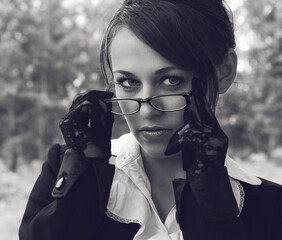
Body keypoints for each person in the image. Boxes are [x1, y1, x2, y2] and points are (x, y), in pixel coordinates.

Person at [19, 0, 282, 239]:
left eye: (171, 80)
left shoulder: (270, 205)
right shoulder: (66, 171)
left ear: (224, 72)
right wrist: (81, 191)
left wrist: (210, 198)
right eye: (128, 82)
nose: (147, 110)